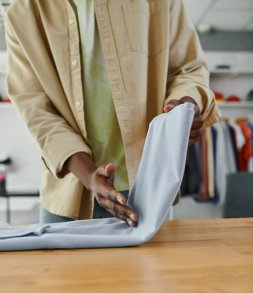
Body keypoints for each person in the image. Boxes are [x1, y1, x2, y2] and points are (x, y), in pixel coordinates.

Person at [5, 0, 221, 226]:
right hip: (68, 196)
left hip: (147, 192)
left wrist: (186, 105)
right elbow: (35, 107)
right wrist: (88, 174)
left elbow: (188, 69)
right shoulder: (22, 13)